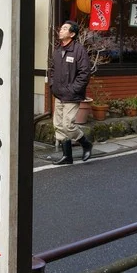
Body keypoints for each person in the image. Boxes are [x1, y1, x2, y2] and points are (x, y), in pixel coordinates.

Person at [49, 20, 93, 165]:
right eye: (61, 28)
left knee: (68, 124)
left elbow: (84, 73)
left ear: (72, 34)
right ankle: (67, 156)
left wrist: (72, 89)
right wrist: (52, 85)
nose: (61, 30)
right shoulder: (58, 49)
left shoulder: (78, 50)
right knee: (58, 125)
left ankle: (86, 144)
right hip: (59, 93)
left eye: (65, 29)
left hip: (71, 95)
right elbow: (52, 69)